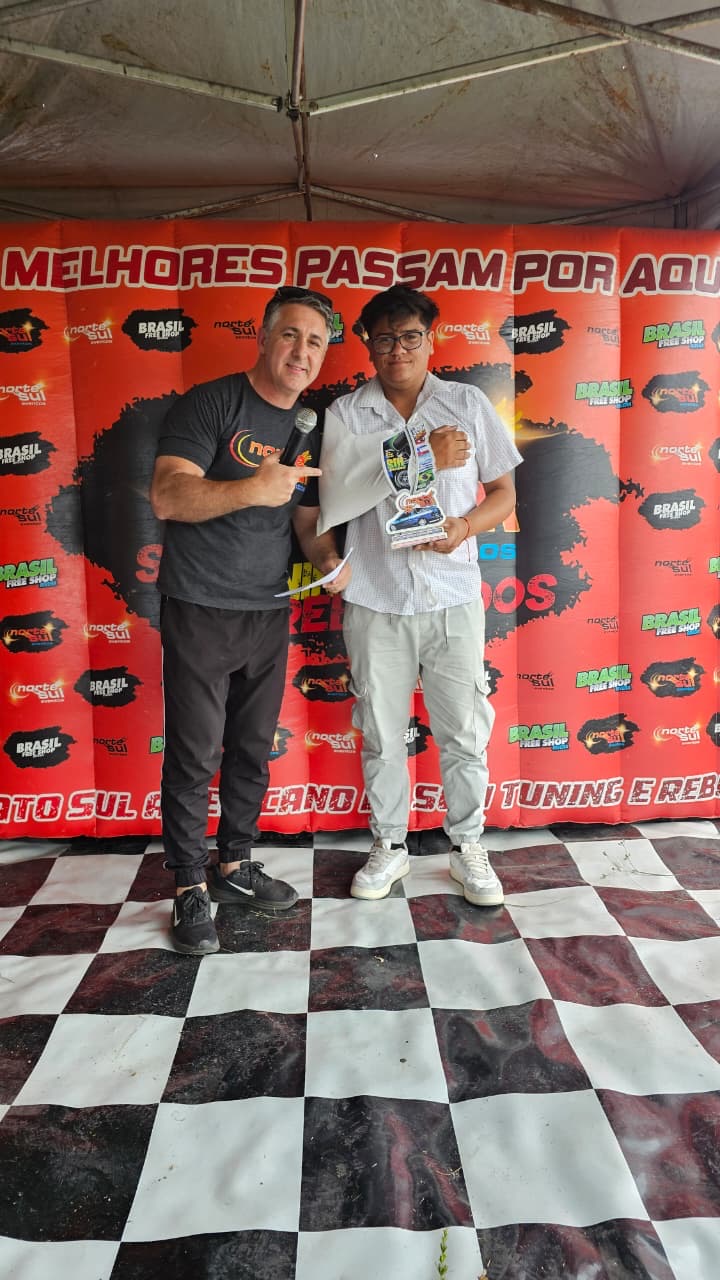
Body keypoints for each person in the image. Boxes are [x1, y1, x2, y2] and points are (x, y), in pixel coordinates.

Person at [150, 286, 348, 955]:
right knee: (194, 753)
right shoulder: (211, 403)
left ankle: (233, 864)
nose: (302, 351)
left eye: (315, 342)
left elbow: (305, 521)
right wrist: (252, 489)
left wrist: (327, 558)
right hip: (200, 604)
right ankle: (188, 884)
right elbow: (167, 495)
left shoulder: (311, 425)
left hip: (267, 608)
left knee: (251, 749)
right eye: (290, 334)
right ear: (263, 338)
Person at [319, 284, 522, 906]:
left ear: (430, 340)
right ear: (367, 345)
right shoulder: (346, 414)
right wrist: (416, 452)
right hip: (375, 597)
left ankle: (468, 847)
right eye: (384, 338)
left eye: (410, 336)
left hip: (452, 594)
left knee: (463, 732)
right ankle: (389, 845)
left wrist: (463, 527)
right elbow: (334, 497)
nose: (398, 350)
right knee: (382, 733)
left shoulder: (466, 404)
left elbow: (504, 495)